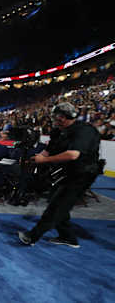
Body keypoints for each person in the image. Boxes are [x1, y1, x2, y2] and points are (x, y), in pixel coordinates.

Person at [18, 102, 101, 248]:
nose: (55, 120)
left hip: (83, 174)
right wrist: (34, 159)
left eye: (58, 117)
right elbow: (48, 151)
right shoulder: (58, 131)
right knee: (58, 203)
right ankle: (67, 237)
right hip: (68, 172)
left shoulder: (85, 131)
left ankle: (32, 236)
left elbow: (73, 154)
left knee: (57, 206)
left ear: (64, 117)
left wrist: (44, 160)